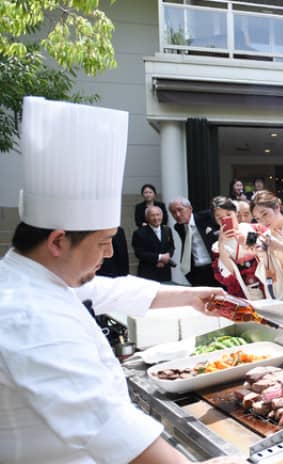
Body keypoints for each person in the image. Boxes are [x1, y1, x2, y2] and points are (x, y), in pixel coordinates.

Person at [0, 97, 235, 464]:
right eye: (103, 242)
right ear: (58, 241)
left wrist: (194, 297)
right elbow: (109, 430)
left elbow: (113, 288)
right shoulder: (28, 315)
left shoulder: (35, 278)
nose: (109, 254)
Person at [210, 196, 265, 300]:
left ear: (236, 213)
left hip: (263, 282)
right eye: (219, 218)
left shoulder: (250, 228)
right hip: (241, 291)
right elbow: (227, 275)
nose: (224, 219)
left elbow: (264, 251)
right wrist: (222, 244)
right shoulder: (217, 246)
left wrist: (245, 242)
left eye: (228, 214)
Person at [169, 197, 218, 287]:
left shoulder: (207, 216)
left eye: (180, 210)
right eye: (173, 212)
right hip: (197, 272)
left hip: (215, 268)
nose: (178, 215)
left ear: (190, 209)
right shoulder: (178, 227)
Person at [131, 206, 175, 282]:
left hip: (165, 271)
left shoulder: (167, 229)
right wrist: (159, 258)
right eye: (152, 215)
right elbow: (139, 253)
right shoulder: (139, 233)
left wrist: (167, 257)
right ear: (147, 218)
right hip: (148, 272)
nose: (156, 218)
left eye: (158, 215)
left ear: (162, 215)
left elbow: (171, 246)